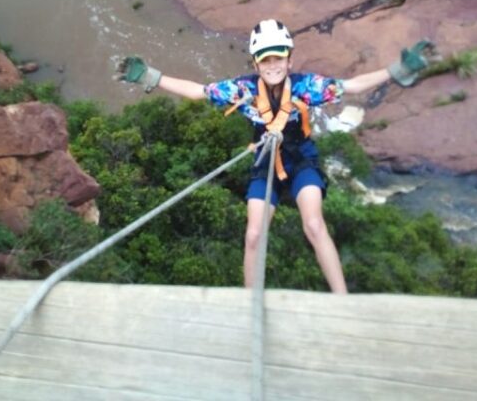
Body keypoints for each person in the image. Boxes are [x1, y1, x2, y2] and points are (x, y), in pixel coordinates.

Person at [116, 19, 435, 293]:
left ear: (289, 60)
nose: (272, 66)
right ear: (255, 64)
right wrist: (151, 77)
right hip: (264, 161)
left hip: (301, 159)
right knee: (254, 235)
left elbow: (351, 86)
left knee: (314, 225)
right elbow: (198, 91)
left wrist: (397, 70)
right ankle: (250, 302)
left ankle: (341, 299)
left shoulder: (306, 87)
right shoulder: (243, 90)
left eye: (278, 58)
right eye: (265, 60)